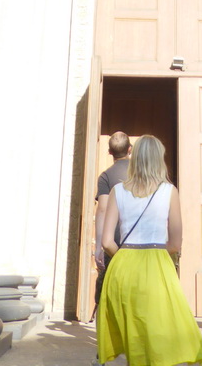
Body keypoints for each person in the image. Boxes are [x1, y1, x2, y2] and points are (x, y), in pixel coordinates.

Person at [97, 134, 202, 366]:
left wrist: (126, 259)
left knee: (132, 338)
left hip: (123, 266)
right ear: (159, 159)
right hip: (156, 265)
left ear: (134, 157)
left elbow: (107, 241)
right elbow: (176, 243)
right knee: (159, 335)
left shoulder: (118, 190)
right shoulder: (169, 191)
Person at [92, 132, 132, 320]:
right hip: (138, 240)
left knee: (110, 285)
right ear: (130, 149)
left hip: (114, 240)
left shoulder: (106, 176)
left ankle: (108, 334)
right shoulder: (141, 173)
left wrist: (99, 246)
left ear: (109, 152)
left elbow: (102, 210)